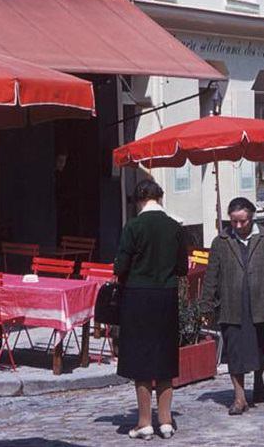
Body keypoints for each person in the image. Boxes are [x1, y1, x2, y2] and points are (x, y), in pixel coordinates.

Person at [200, 197, 264, 415]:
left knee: (260, 351)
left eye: (243, 221)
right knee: (235, 352)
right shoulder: (221, 241)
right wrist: (206, 306)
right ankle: (239, 398)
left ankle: (259, 380)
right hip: (232, 305)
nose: (238, 226)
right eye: (234, 222)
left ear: (251, 218)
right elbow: (211, 275)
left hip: (261, 303)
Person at [114, 180, 189, 440]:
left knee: (141, 360)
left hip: (138, 296)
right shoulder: (174, 227)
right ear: (160, 197)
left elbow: (120, 266)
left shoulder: (133, 226)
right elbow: (182, 268)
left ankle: (144, 422)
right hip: (166, 296)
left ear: (138, 201)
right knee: (165, 358)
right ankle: (166, 421)